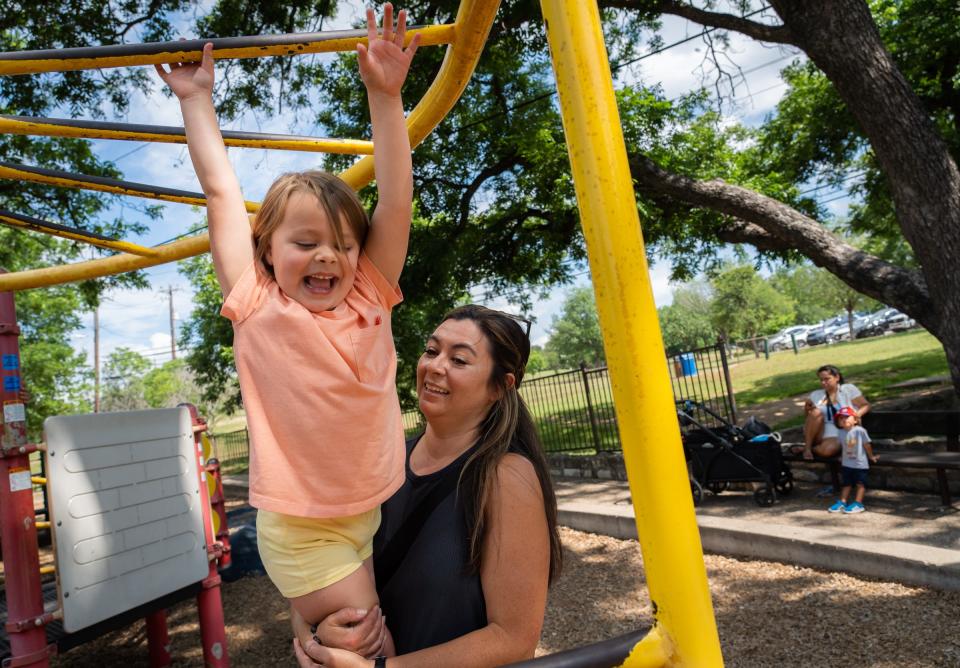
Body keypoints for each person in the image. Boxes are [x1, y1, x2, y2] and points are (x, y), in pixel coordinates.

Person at [156, 4, 421, 656]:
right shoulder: (258, 307)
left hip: (364, 515)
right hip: (304, 529)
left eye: (341, 243)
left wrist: (385, 97)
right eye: (305, 242)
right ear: (267, 251)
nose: (328, 256)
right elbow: (221, 194)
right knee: (360, 647)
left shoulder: (369, 296)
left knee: (353, 643)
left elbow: (394, 201)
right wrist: (196, 102)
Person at [292, 305, 563, 667]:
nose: (435, 367)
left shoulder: (505, 477)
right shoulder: (379, 463)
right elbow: (313, 566)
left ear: (500, 386)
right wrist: (314, 635)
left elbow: (513, 639)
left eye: (460, 360)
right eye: (432, 351)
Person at [799, 364, 870, 460]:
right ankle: (807, 448)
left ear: (837, 377)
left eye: (827, 379)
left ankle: (808, 449)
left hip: (841, 430)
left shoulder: (847, 389)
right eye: (821, 380)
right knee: (816, 412)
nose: (823, 382)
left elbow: (865, 405)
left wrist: (855, 415)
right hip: (820, 432)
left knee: (827, 451)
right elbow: (809, 420)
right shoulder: (816, 395)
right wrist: (807, 410)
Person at [827, 406, 879, 514]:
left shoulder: (860, 431)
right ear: (838, 422)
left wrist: (871, 456)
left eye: (847, 417)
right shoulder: (840, 432)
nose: (844, 419)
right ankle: (843, 501)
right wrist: (842, 456)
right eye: (841, 418)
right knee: (846, 484)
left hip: (859, 464)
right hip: (847, 464)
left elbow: (866, 445)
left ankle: (858, 503)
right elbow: (844, 446)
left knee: (860, 484)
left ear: (855, 419)